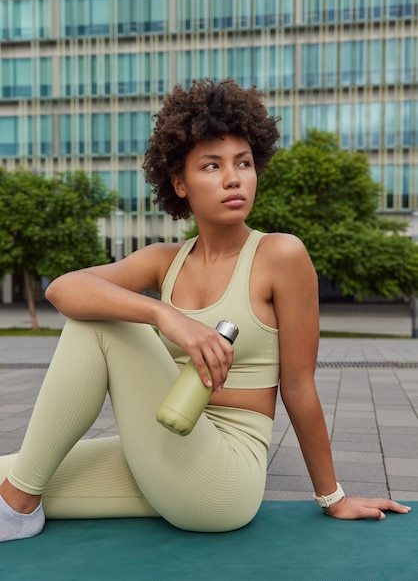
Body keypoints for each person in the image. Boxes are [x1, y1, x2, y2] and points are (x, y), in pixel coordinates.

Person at [0, 79, 410, 543]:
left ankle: (17, 508)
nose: (233, 178)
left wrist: (332, 496)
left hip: (225, 477)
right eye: (212, 166)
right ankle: (19, 501)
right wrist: (166, 316)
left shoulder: (281, 256)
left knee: (102, 326)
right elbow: (63, 289)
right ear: (180, 183)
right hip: (165, 452)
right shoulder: (163, 260)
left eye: (244, 163)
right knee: (10, 473)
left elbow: (299, 386)